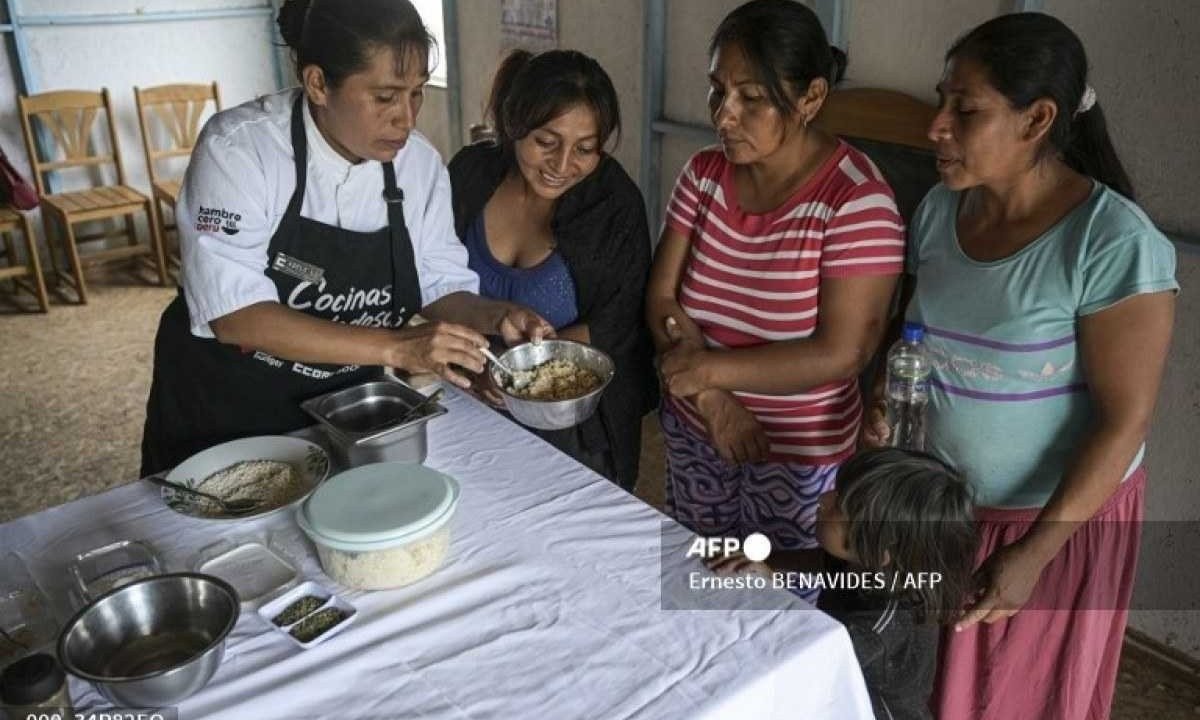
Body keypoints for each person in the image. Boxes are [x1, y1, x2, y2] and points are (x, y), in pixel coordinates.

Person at [861, 13, 1178, 719]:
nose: (936, 125)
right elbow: (918, 332)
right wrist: (888, 390)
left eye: (964, 109)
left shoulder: (1113, 243)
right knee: (934, 688)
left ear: (1038, 119)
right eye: (943, 100)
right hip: (947, 509)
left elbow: (1124, 422)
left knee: (1018, 695)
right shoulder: (941, 213)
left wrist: (1037, 551)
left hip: (1050, 522)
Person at [141, 0, 552, 476]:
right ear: (318, 84)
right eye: (385, 97)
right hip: (225, 415)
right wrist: (397, 347)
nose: (407, 117)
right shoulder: (241, 149)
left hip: (344, 413)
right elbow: (236, 317)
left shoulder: (417, 166)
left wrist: (496, 316)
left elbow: (438, 283)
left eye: (416, 93)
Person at [645, 0, 905, 584]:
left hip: (795, 455)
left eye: (751, 98)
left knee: (774, 602)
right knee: (696, 578)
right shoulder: (703, 174)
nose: (724, 116)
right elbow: (662, 300)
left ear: (811, 98)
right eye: (717, 92)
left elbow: (843, 354)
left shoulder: (855, 200)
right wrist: (711, 402)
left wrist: (710, 374)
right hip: (696, 428)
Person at [448, 50, 656, 491]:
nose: (563, 166)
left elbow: (618, 324)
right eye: (546, 141)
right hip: (467, 401)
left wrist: (514, 374)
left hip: (574, 427)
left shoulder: (613, 207)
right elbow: (432, 277)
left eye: (585, 149)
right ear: (513, 124)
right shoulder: (470, 175)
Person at [709, 448, 978, 720]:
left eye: (838, 505)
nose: (823, 498)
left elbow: (810, 661)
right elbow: (825, 563)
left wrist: (770, 589)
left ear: (881, 548)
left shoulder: (877, 626)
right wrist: (766, 561)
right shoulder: (869, 561)